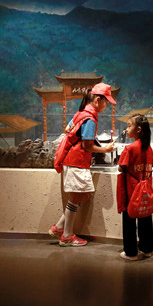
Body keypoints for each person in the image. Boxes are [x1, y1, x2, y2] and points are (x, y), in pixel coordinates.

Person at [49, 84, 116, 247]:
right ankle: (66, 236)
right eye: (106, 102)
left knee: (82, 196)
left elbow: (69, 128)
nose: (106, 106)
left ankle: (59, 228)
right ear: (98, 100)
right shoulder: (90, 118)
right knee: (77, 197)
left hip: (73, 161)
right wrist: (105, 149)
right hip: (77, 161)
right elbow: (87, 146)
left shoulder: (81, 113)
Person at [117, 114, 153, 261]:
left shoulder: (130, 148)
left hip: (131, 192)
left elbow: (121, 168)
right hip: (146, 192)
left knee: (129, 221)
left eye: (129, 126)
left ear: (138, 129)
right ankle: (147, 249)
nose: (126, 129)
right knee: (145, 217)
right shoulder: (149, 148)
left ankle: (131, 252)